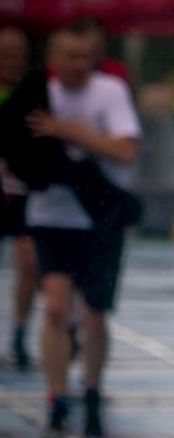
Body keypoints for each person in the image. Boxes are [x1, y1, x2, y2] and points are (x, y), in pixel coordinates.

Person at [25, 20, 139, 438]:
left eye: (86, 57)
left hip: (101, 216)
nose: (78, 65)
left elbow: (125, 150)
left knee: (94, 313)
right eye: (70, 57)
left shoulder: (110, 92)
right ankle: (56, 397)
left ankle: (92, 389)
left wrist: (71, 132)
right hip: (51, 215)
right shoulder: (37, 94)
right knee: (56, 307)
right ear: (52, 59)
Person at [0, 28, 36, 371]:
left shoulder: (32, 95)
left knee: (29, 260)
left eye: (19, 56)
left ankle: (19, 334)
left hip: (22, 191)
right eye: (7, 55)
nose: (14, 62)